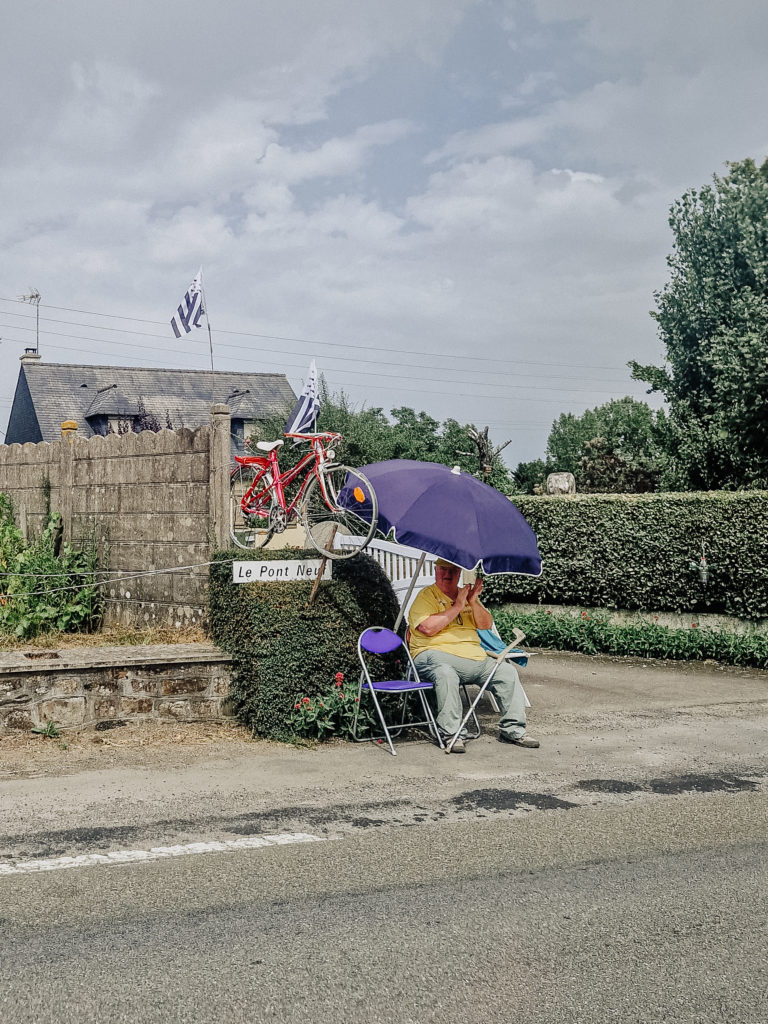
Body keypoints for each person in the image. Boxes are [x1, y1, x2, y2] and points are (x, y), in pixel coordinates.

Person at [408, 558, 539, 754]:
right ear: (435, 570)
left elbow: (485, 625)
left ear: (459, 573)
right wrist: (457, 607)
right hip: (432, 655)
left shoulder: (466, 596)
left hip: (474, 658)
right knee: (446, 673)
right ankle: (451, 733)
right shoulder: (425, 597)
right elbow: (427, 628)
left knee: (506, 672)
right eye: (443, 569)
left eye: (453, 570)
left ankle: (513, 730)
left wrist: (473, 602)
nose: (447, 574)